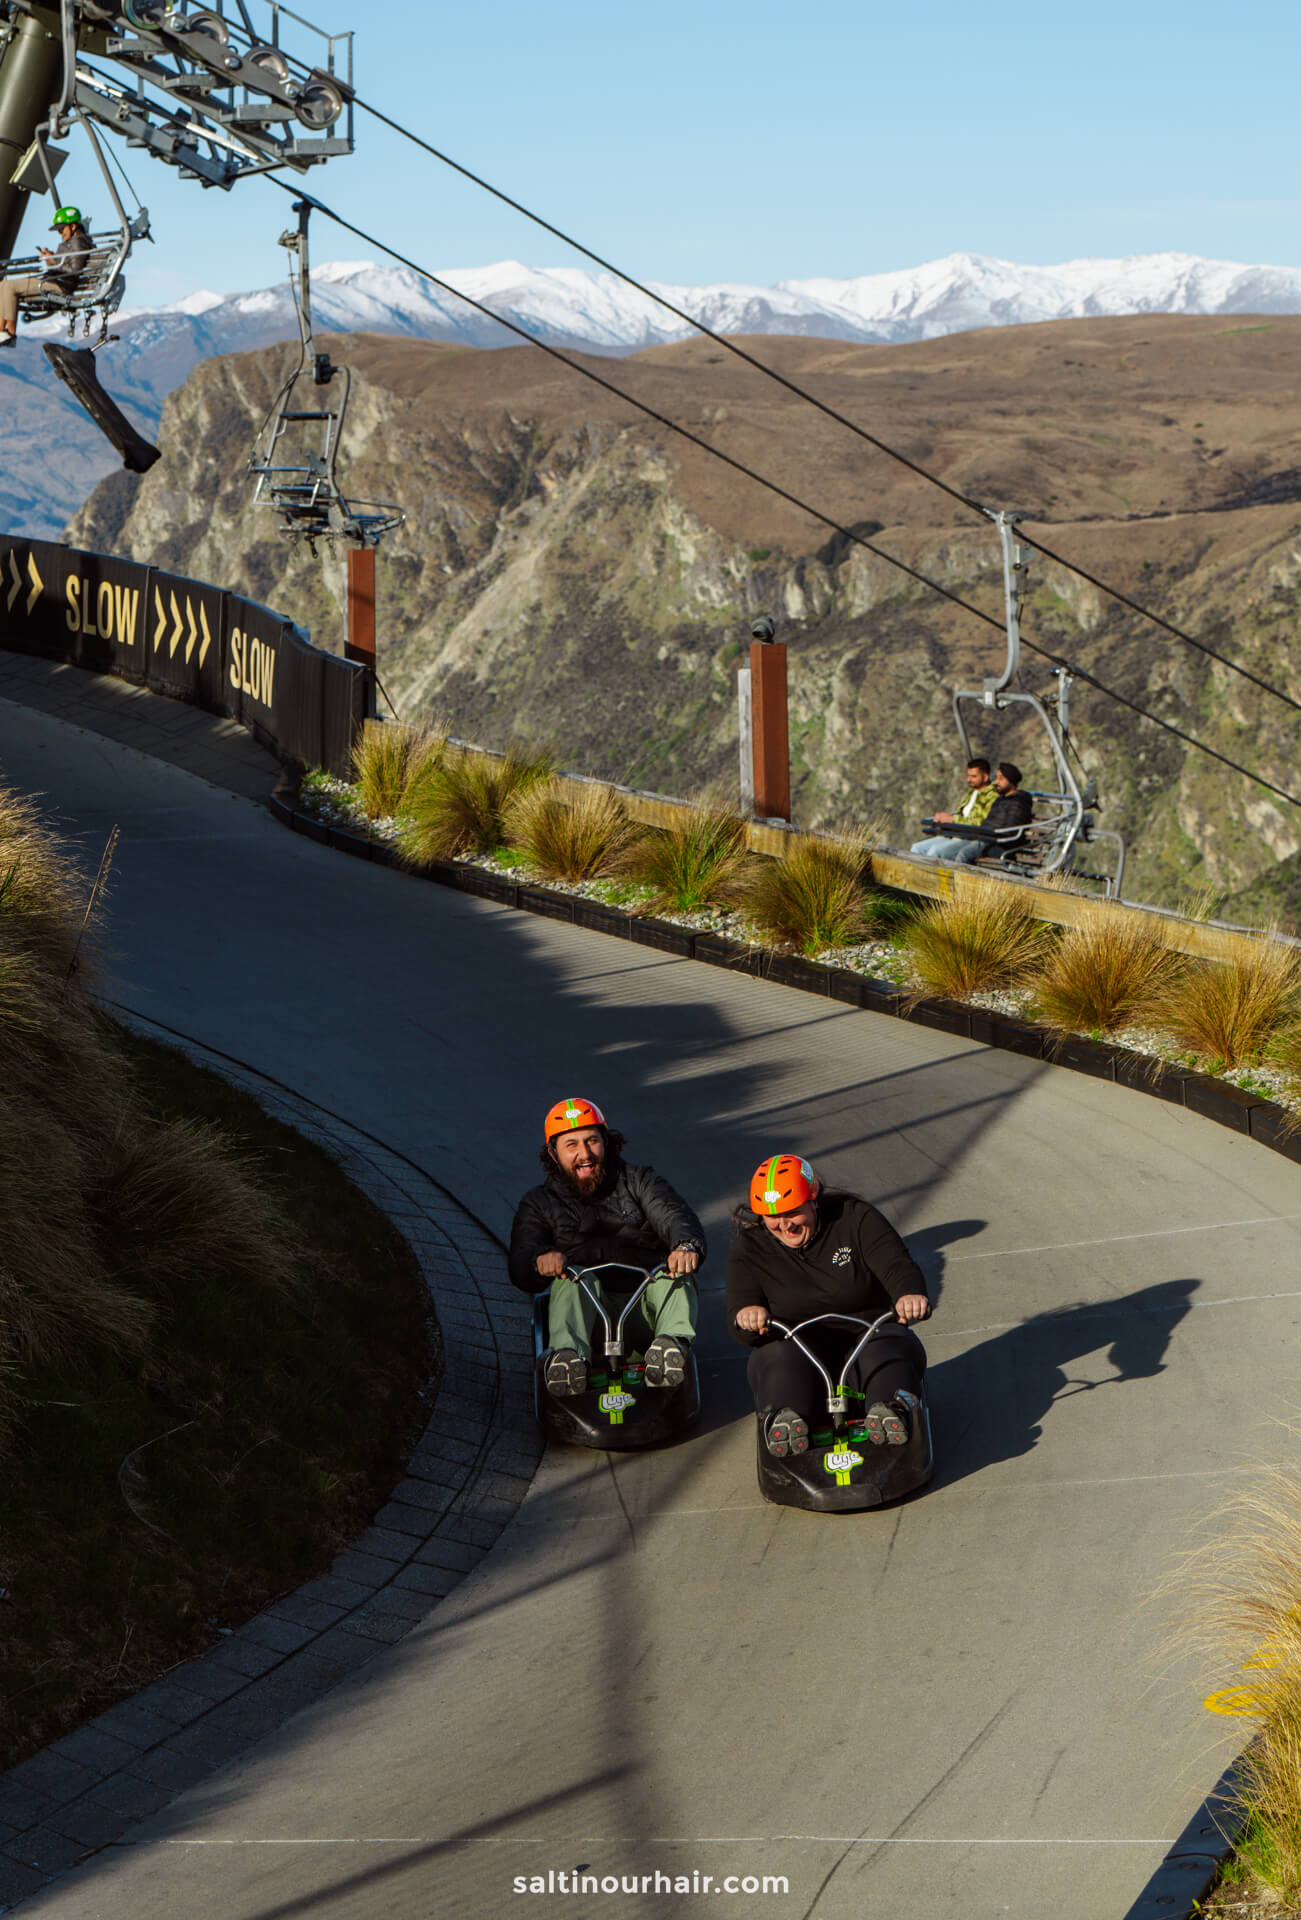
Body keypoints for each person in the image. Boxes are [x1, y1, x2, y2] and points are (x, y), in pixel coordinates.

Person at [726, 1154, 929, 1457]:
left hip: (865, 1337)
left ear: (814, 1198)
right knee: (773, 1355)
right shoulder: (751, 1246)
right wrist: (747, 1314)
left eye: (792, 1212)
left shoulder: (854, 1217)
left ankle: (890, 1413)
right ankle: (787, 1423)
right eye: (772, 1217)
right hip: (797, 1349)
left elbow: (897, 1265)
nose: (784, 1225)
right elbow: (740, 1308)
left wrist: (908, 1294)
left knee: (891, 1342)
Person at [509, 1097, 705, 1396]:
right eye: (571, 1145)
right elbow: (522, 1258)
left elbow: (674, 1216)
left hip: (643, 1309)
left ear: (607, 1142)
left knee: (674, 1276)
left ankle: (669, 1350)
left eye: (592, 1141)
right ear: (553, 1153)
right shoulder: (538, 1203)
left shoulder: (640, 1181)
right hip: (587, 1318)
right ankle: (568, 1361)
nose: (584, 1154)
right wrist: (539, 1260)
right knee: (570, 1280)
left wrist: (685, 1246)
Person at [0, 206, 94, 349]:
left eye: (62, 229)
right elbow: (65, 265)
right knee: (2, 286)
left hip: (59, 284)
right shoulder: (73, 241)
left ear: (73, 225)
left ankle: (10, 333)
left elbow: (74, 269)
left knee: (9, 286)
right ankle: (1, 331)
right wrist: (52, 260)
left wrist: (53, 262)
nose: (60, 233)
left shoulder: (77, 242)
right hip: (55, 280)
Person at [911, 760, 1032, 866]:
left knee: (960, 854)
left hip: (995, 843)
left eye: (1001, 779)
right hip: (982, 837)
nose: (996, 782)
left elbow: (1007, 830)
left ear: (1010, 782)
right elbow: (989, 822)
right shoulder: (1000, 799)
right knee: (925, 849)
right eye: (996, 778)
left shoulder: (1016, 803)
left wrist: (954, 820)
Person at [911, 757, 995, 860]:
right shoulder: (972, 793)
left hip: (968, 837)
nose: (968, 779)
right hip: (954, 833)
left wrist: (952, 819)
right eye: (968, 775)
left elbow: (979, 822)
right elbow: (962, 814)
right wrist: (944, 818)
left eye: (973, 776)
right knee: (917, 848)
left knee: (935, 851)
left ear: (985, 777)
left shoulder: (992, 797)